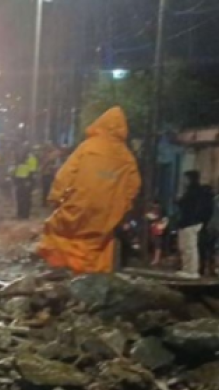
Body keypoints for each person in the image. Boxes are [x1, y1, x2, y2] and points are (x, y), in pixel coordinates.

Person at [37, 107, 141, 274]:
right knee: (99, 244)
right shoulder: (126, 156)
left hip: (79, 205)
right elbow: (133, 187)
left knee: (58, 231)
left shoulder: (87, 147)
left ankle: (65, 271)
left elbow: (65, 174)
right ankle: (91, 275)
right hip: (108, 213)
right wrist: (123, 208)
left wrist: (56, 196)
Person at [176, 170, 214, 280]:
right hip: (188, 222)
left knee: (189, 247)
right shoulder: (192, 191)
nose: (184, 181)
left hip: (190, 222)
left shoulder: (195, 191)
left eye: (186, 178)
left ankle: (191, 270)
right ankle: (187, 268)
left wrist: (180, 201)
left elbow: (189, 206)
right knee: (185, 246)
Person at [13, 145, 39, 219]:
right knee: (19, 198)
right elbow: (17, 170)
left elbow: (32, 171)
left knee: (26, 198)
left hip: (26, 181)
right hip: (19, 180)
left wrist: (29, 181)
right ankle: (20, 213)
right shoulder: (20, 159)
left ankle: (25, 215)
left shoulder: (31, 159)